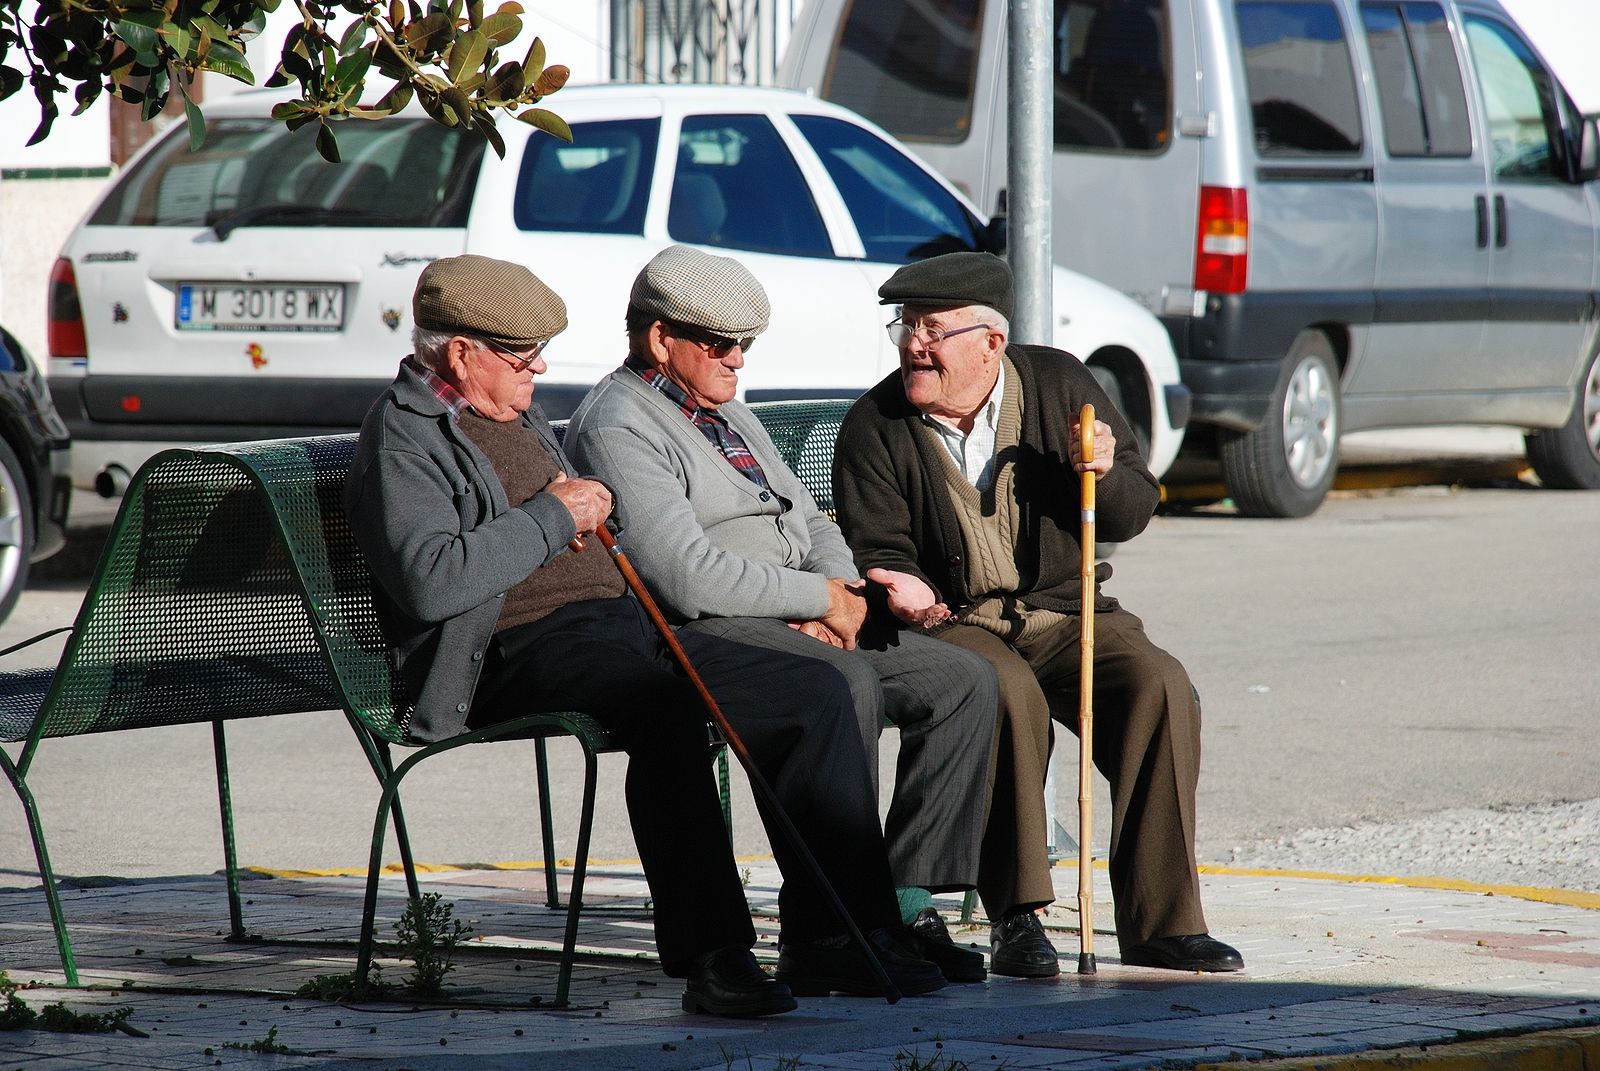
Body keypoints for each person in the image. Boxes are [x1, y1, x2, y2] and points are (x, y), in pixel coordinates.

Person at [343, 253, 944, 1018]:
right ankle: (716, 955)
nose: (539, 370)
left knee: (815, 688)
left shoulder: (511, 410)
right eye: (523, 358)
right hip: (516, 647)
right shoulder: (404, 438)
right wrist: (554, 515)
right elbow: (432, 580)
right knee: (664, 709)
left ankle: (839, 933)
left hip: (620, 625)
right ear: (462, 354)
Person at [566, 245, 1005, 983]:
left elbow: (811, 520)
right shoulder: (619, 424)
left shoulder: (724, 409)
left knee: (962, 682)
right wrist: (815, 601)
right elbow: (685, 576)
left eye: (746, 342)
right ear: (659, 339)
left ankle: (897, 907)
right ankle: (829, 934)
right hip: (701, 629)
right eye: (720, 343)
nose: (738, 358)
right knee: (840, 685)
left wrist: (838, 596)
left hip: (797, 607)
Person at [831, 250, 1244, 974]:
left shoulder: (1059, 386)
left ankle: (1164, 922)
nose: (913, 344)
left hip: (1067, 611)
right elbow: (877, 543)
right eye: (907, 326)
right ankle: (1018, 916)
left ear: (990, 342)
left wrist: (1103, 474)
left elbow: (1134, 507)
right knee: (1006, 693)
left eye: (933, 329)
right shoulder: (878, 422)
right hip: (952, 622)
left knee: (1160, 686)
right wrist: (901, 584)